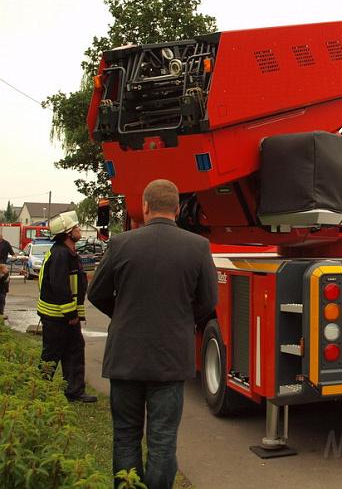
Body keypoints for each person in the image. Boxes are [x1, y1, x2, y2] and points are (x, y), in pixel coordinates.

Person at [89, 179, 218, 489]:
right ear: (177, 209)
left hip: (125, 358)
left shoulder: (121, 244)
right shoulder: (198, 247)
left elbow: (96, 293)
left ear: (144, 206)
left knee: (125, 436)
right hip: (170, 359)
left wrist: (122, 316)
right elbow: (208, 302)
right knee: (162, 441)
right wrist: (180, 322)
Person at [37, 210, 96, 402]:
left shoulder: (67, 253)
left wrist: (75, 314)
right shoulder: (61, 255)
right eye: (75, 228)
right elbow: (60, 286)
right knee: (52, 354)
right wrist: (70, 313)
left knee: (74, 350)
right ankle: (38, 392)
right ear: (67, 233)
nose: (79, 230)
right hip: (57, 317)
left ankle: (74, 391)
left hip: (65, 316)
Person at [0, 230, 16, 317]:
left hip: (4, 267)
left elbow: (13, 254)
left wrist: (12, 259)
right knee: (2, 291)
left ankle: (1, 312)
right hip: (3, 268)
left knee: (3, 290)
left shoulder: (6, 244)